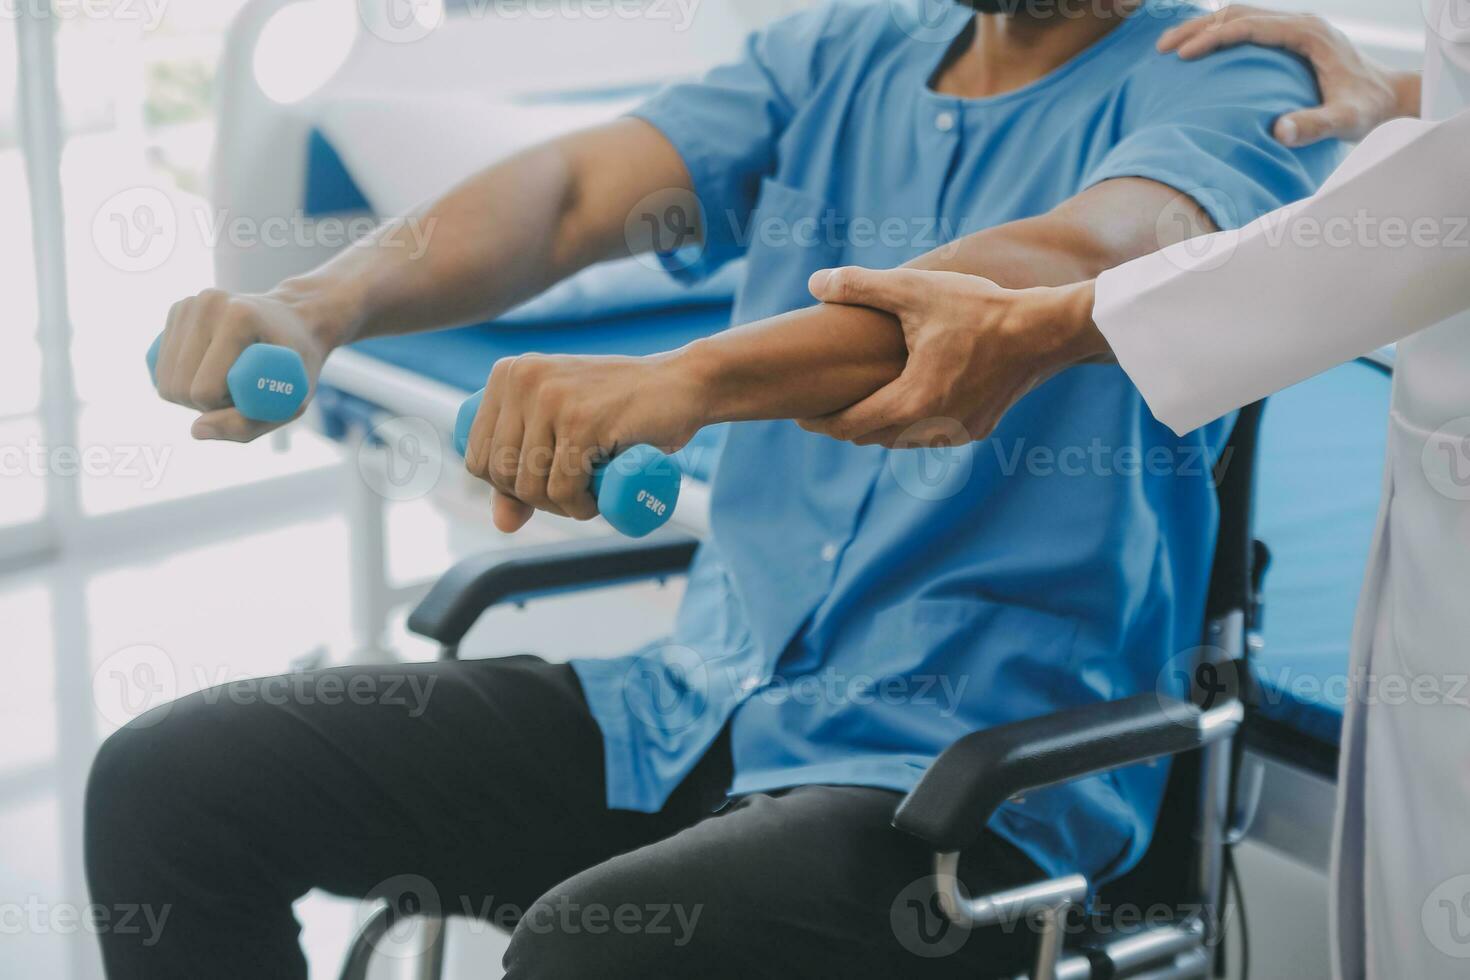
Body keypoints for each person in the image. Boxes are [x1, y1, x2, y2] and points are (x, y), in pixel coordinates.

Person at [90, 2, 1340, 977]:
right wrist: (312, 304)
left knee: (605, 949)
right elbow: (571, 193)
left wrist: (682, 381)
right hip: (690, 710)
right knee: (173, 784)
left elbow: (1067, 269)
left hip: (963, 789)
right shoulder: (838, 55)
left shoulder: (1228, 77)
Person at [800, 6, 1470, 977]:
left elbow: (1447, 206)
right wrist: (1402, 96)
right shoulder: (851, 48)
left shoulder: (1203, 80)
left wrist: (1059, 323)